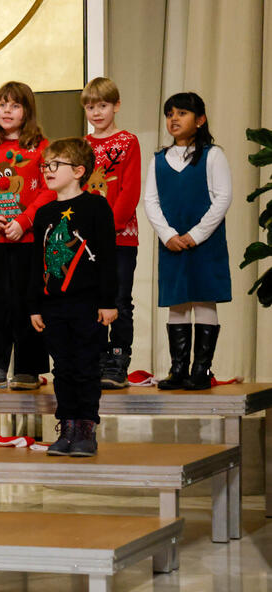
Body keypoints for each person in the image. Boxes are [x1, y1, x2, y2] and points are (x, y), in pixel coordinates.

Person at [30, 138, 118, 456]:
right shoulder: (44, 213)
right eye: (45, 165)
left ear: (79, 171)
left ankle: (86, 429)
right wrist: (34, 306)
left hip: (88, 305)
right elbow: (36, 263)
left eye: (56, 165)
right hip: (53, 305)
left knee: (86, 367)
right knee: (62, 369)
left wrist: (109, 302)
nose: (48, 171)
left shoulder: (96, 207)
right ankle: (66, 427)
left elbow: (108, 257)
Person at [0, 81, 55, 391]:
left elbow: (50, 189)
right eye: (2, 104)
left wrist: (26, 219)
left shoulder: (42, 148)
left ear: (27, 111)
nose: (7, 110)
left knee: (27, 303)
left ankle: (28, 368)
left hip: (27, 240)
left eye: (15, 105)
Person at [144, 91, 232, 391]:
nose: (174, 119)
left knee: (204, 298)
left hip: (204, 241)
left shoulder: (212, 155)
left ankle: (201, 369)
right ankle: (178, 368)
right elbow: (151, 202)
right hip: (172, 242)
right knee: (177, 301)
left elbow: (222, 199)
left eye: (182, 113)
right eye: (170, 114)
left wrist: (195, 235)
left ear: (200, 119)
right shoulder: (159, 160)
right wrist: (168, 235)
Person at [82, 77, 142, 389]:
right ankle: (97, 358)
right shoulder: (82, 147)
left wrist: (105, 229)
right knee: (92, 300)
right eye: (91, 107)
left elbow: (129, 192)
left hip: (120, 239)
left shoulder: (128, 142)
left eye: (103, 105)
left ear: (116, 106)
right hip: (87, 242)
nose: (97, 112)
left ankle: (118, 360)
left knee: (119, 300)